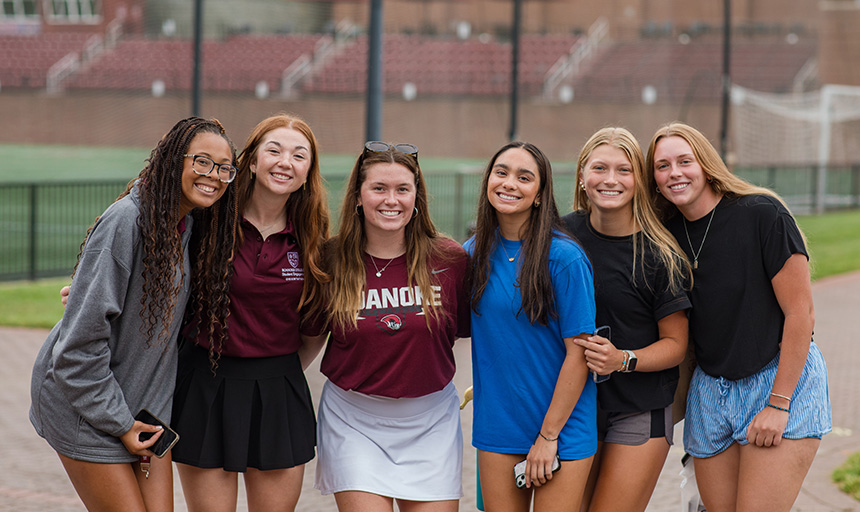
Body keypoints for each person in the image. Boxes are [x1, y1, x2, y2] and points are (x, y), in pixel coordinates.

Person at [30, 116, 239, 512]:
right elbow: (75, 352)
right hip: (85, 406)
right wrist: (121, 424)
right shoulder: (127, 220)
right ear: (173, 159)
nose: (213, 175)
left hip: (142, 409)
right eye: (202, 161)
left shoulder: (186, 225)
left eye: (224, 167)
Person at [646, 121, 832, 511]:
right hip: (710, 392)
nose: (674, 173)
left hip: (777, 380)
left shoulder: (763, 214)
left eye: (685, 161)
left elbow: (802, 314)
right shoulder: (664, 235)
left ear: (706, 164)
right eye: (662, 166)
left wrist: (779, 404)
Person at [170, 113, 330, 512]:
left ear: (308, 171)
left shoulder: (314, 240)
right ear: (252, 161)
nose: (284, 162)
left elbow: (313, 334)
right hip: (204, 387)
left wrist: (273, 367)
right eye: (273, 150)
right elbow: (150, 257)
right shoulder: (208, 219)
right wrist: (90, 288)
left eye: (299, 155)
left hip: (279, 393)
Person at [313, 141, 471, 512]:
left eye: (403, 189)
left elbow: (479, 332)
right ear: (358, 196)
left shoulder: (449, 259)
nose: (391, 200)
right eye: (379, 188)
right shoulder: (330, 260)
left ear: (417, 197)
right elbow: (307, 338)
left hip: (431, 421)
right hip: (354, 421)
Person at [560, 127, 691, 512]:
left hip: (639, 408)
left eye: (624, 169)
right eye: (600, 168)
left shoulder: (660, 254)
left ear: (640, 181)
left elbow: (676, 346)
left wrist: (623, 359)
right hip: (577, 406)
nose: (611, 180)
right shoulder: (561, 237)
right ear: (583, 176)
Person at [466, 141, 597, 512]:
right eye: (501, 172)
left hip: (562, 427)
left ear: (540, 195)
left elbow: (579, 353)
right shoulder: (471, 255)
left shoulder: (565, 258)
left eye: (524, 177)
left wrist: (548, 436)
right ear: (488, 180)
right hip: (498, 424)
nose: (510, 183)